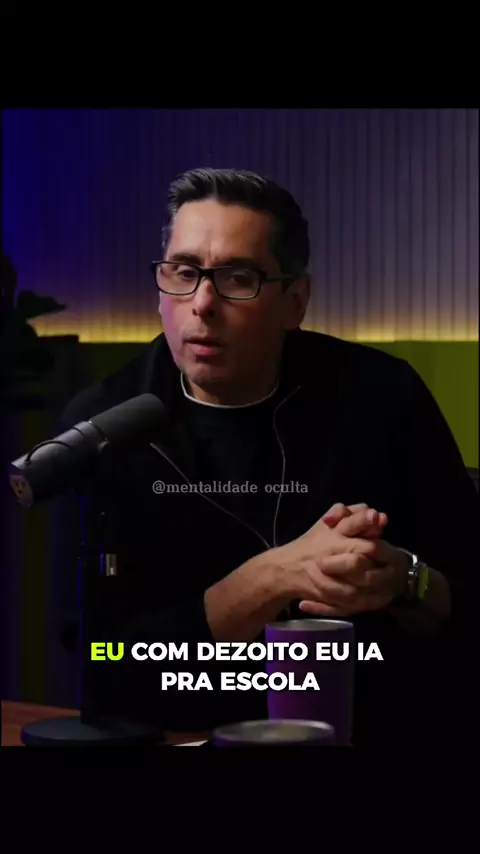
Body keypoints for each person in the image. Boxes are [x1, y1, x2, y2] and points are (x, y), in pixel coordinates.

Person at [54, 168, 478, 745]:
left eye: (238, 278)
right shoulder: (102, 427)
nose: (203, 304)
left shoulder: (382, 397)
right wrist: (268, 580)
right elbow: (105, 659)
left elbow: (467, 601)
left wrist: (404, 578)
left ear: (294, 301)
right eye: (184, 273)